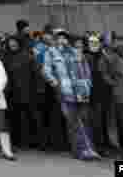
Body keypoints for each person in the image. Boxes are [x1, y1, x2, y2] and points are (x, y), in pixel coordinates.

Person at [41, 29, 101, 161]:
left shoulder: (76, 52)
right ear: (56, 40)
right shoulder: (50, 53)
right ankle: (79, 150)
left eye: (65, 38)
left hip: (82, 91)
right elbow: (46, 70)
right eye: (59, 38)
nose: (62, 40)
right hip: (65, 91)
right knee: (72, 121)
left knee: (85, 119)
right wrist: (55, 83)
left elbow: (86, 70)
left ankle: (90, 149)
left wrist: (88, 84)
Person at [2, 35, 45, 150]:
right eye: (10, 43)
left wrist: (39, 89)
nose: (12, 45)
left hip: (30, 92)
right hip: (14, 93)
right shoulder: (6, 58)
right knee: (20, 119)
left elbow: (37, 74)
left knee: (35, 117)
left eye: (14, 42)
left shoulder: (28, 57)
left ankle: (40, 142)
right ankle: (25, 142)